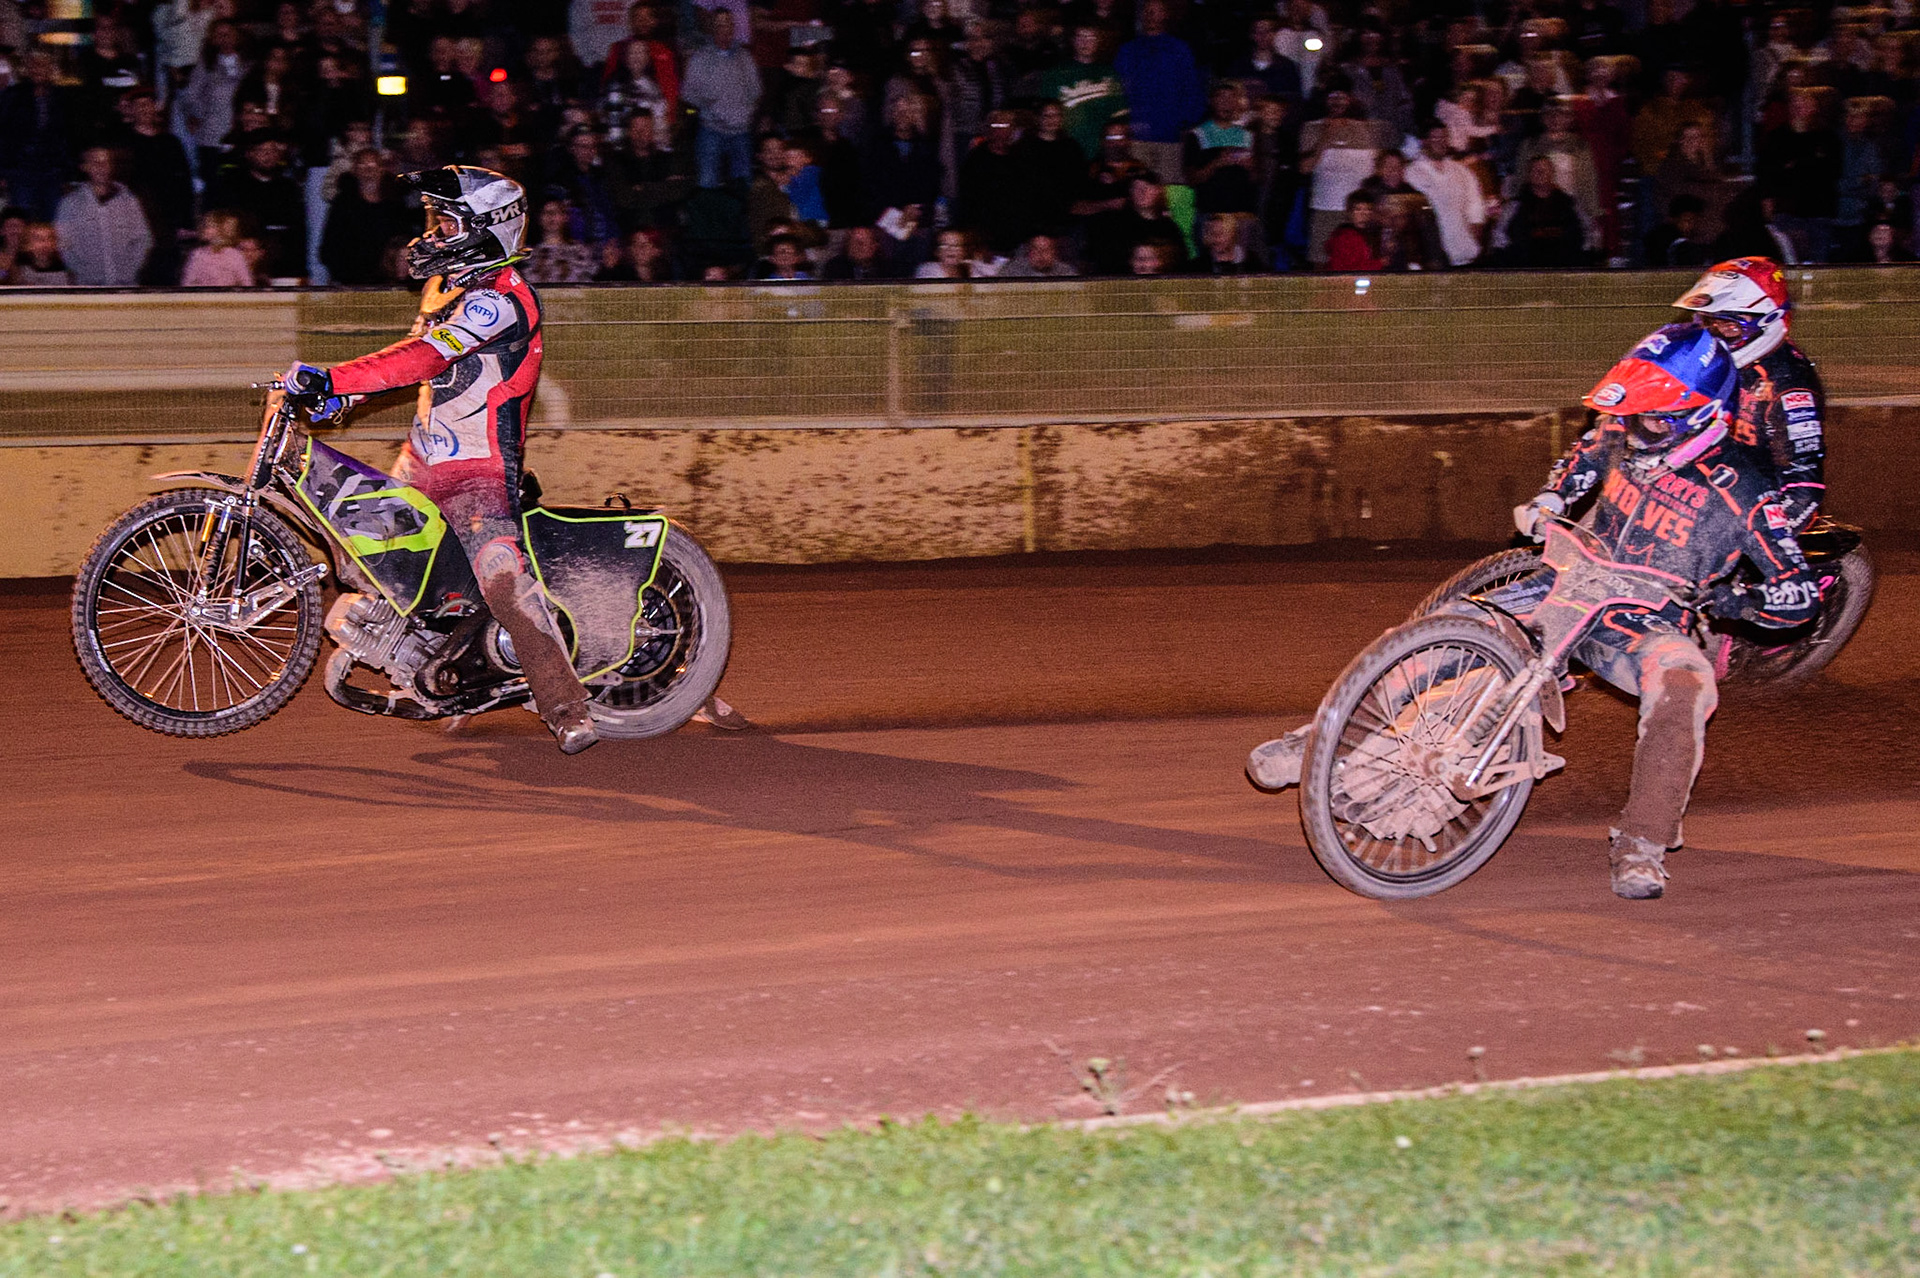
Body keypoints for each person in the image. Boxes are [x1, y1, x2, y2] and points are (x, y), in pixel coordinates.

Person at [1249, 325, 1819, 900]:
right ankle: (1318, 740)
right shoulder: (1622, 431)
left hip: (1645, 620)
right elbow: (1583, 459)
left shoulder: (1744, 491)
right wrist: (1552, 498)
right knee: (1449, 634)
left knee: (1686, 687)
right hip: (1567, 580)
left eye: (1652, 418)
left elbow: (1800, 591)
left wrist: (1739, 602)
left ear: (1696, 416)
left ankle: (1642, 843)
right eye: (1633, 414)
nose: (1633, 428)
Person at [281, 166, 598, 755]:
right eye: (432, 220)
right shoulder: (444, 286)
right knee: (365, 560)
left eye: (446, 222)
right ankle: (446, 669)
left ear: (487, 231)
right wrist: (340, 395)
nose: (431, 234)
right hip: (421, 461)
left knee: (502, 584)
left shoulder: (505, 301)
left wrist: (332, 375)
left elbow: (426, 359)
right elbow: (409, 358)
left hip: (477, 475)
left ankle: (565, 705)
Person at [1673, 257, 1825, 532]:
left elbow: (1804, 492)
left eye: (1730, 326)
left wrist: (1746, 541)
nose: (1718, 333)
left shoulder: (1789, 388)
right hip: (1695, 492)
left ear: (1768, 321)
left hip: (1749, 512)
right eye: (1711, 323)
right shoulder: (1708, 362)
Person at [54, 146, 152, 286]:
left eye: (106, 162)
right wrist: (84, 273)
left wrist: (129, 271)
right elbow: (63, 244)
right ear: (84, 167)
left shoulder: (129, 201)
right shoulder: (70, 204)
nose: (101, 167)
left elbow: (144, 239)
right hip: (89, 287)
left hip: (125, 286)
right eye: (95, 162)